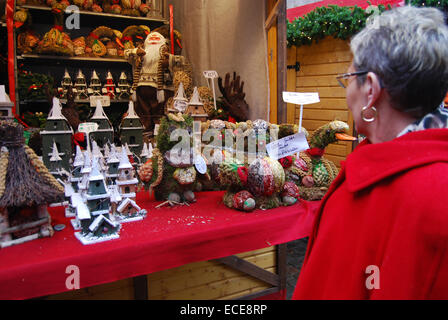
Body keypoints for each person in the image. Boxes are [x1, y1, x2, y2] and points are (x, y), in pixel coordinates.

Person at [292, 6, 448, 300]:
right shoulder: (378, 165)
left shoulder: (425, 195)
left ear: (371, 90)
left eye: (349, 78)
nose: (347, 90)